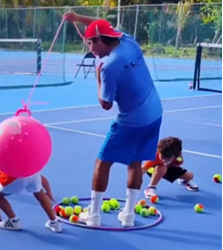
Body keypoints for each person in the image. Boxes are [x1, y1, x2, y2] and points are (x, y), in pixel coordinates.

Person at [63, 12, 163, 227]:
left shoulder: (109, 67)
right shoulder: (129, 40)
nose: (90, 49)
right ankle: (128, 215)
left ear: (100, 40)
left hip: (132, 121)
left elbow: (106, 104)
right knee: (134, 162)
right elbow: (103, 25)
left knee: (102, 162)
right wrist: (78, 18)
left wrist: (98, 79)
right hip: (154, 114)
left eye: (90, 43)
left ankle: (94, 215)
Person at [0, 168, 62, 232]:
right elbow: (41, 178)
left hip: (16, 178)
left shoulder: (1, 166)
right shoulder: (27, 161)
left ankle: (13, 221)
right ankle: (54, 222)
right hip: (32, 174)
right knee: (39, 193)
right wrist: (48, 191)